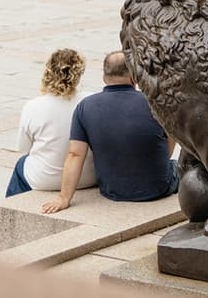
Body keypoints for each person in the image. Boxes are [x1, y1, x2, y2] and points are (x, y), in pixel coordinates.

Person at [41, 51, 178, 212]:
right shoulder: (156, 102)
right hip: (158, 188)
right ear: (134, 75)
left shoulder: (85, 107)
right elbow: (172, 137)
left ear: (104, 77)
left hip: (112, 190)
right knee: (184, 163)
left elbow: (75, 155)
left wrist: (64, 198)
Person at [6, 49, 97, 197]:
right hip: (88, 176)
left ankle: (11, 207)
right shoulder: (92, 101)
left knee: (21, 164)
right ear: (79, 75)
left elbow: (24, 147)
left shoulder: (33, 106)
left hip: (44, 179)